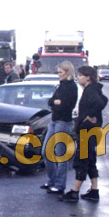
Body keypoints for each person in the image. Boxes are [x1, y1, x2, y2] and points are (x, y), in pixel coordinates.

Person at [61, 66, 108, 202]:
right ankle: (94, 190)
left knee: (82, 160)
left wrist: (91, 116)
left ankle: (75, 191)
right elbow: (104, 100)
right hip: (92, 130)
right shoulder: (93, 89)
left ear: (88, 77)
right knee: (90, 160)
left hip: (88, 130)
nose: (78, 77)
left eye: (81, 75)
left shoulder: (90, 89)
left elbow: (99, 103)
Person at [41, 61, 78, 195]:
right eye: (58, 72)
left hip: (64, 122)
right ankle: (51, 180)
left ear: (67, 72)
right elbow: (51, 101)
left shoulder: (71, 87)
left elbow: (66, 106)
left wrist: (56, 103)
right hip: (54, 120)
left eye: (60, 72)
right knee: (46, 151)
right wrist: (55, 102)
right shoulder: (60, 86)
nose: (59, 75)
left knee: (60, 153)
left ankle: (59, 185)